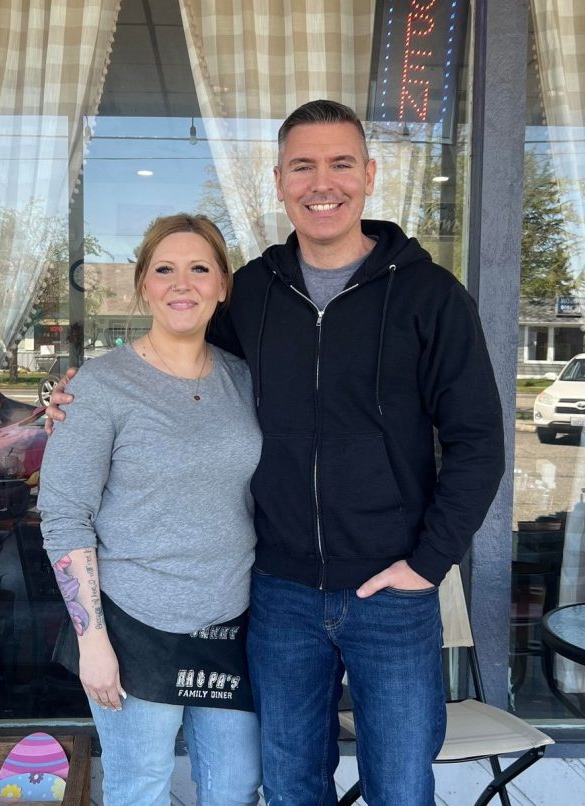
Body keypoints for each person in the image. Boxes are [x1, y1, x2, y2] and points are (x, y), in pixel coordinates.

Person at [48, 100, 504, 805]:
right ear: (278, 181)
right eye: (303, 166)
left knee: (403, 788)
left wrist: (428, 564)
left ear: (370, 175)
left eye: (340, 163)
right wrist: (73, 401)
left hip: (392, 589)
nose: (323, 182)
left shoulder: (429, 296)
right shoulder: (255, 293)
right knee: (291, 786)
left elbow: (478, 444)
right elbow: (174, 361)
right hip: (280, 595)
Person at [37, 214, 263, 806]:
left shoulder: (243, 379)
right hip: (134, 626)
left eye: (198, 269)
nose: (181, 283)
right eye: (164, 269)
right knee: (140, 789)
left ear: (222, 284)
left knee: (235, 788)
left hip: (231, 625)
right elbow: (64, 516)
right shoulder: (99, 386)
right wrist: (92, 641)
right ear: (143, 285)